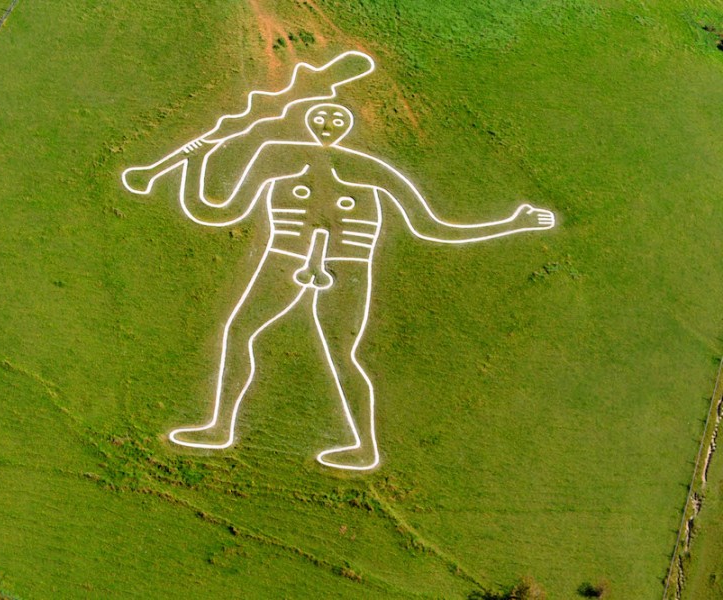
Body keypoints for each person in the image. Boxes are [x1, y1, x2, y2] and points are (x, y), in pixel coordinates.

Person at [122, 54, 555, 471]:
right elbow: (216, 212)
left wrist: (513, 224)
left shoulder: (366, 169)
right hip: (284, 258)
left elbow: (431, 227)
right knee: (240, 332)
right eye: (321, 118)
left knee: (342, 354)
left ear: (348, 127)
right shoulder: (277, 154)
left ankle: (364, 448)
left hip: (346, 265)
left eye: (337, 120)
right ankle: (219, 428)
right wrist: (193, 166)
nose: (327, 125)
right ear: (307, 122)